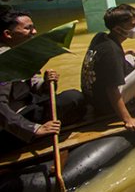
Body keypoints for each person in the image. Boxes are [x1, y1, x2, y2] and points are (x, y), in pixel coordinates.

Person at [0, 10, 85, 151]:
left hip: (28, 107)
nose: (35, 31)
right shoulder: (4, 61)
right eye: (28, 28)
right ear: (8, 34)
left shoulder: (19, 53)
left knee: (74, 98)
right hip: (10, 124)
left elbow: (35, 86)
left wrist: (46, 82)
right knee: (72, 98)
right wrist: (34, 129)